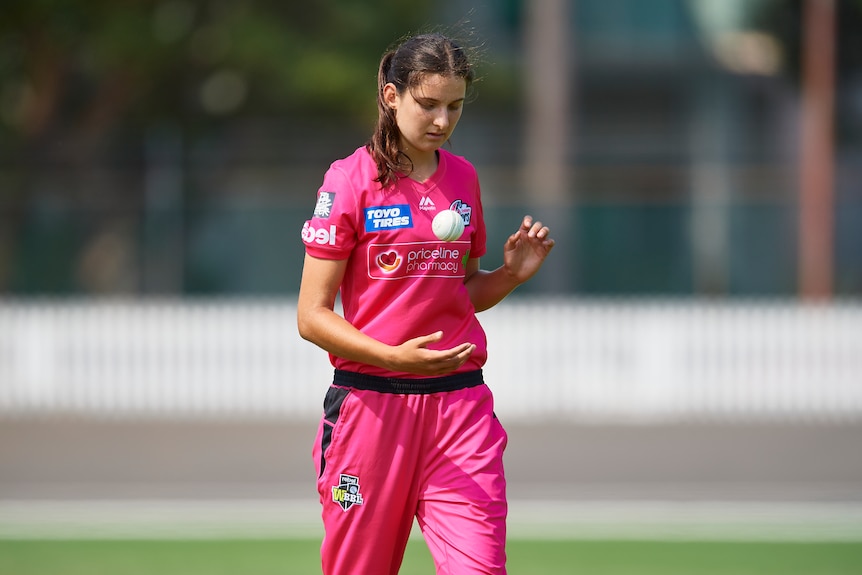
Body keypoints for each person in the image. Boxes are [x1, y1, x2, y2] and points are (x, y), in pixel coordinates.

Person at [297, 31, 555, 575]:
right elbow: (311, 317)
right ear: (392, 97)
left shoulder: (463, 178)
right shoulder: (348, 180)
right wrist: (393, 358)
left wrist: (510, 274)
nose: (442, 121)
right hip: (371, 411)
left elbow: (462, 292)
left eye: (455, 106)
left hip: (460, 411)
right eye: (428, 104)